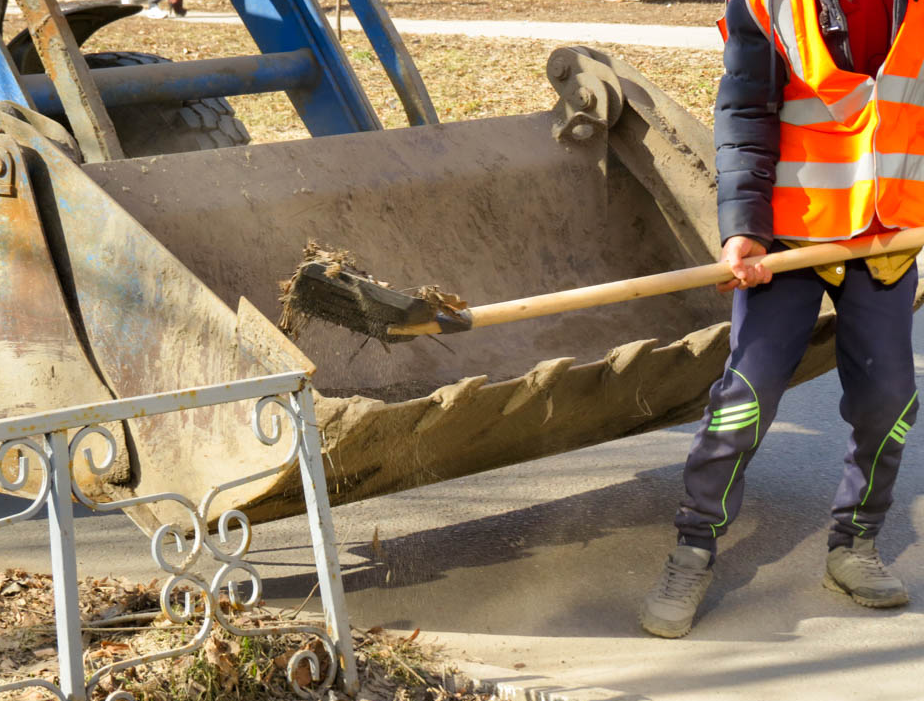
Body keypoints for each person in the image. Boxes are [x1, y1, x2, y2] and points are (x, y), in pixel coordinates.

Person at [639, 0, 923, 639]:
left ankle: (855, 543)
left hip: (884, 238)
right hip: (788, 239)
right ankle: (693, 549)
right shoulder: (769, 7)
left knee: (889, 402)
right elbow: (744, 115)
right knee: (745, 399)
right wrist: (744, 230)